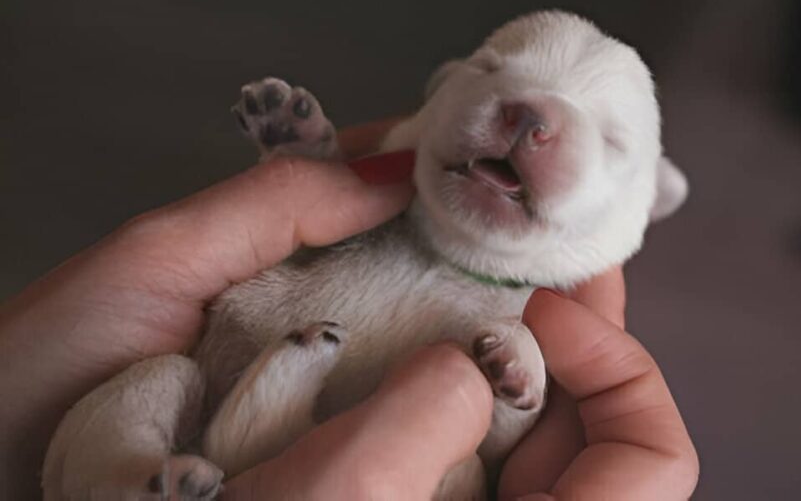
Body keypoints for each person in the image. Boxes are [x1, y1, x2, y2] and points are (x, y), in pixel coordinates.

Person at [0, 121, 698, 500]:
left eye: (604, 142)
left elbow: (499, 437)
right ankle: (124, 480)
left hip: (321, 421)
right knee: (149, 384)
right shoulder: (424, 183)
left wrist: (522, 374)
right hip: (213, 387)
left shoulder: (536, 301)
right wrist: (316, 166)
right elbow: (318, 219)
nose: (530, 131)